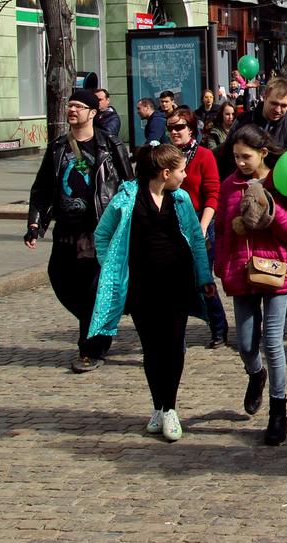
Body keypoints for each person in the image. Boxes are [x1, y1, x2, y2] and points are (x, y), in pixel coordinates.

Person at [89, 144, 215, 442]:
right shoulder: (127, 198)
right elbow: (102, 235)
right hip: (142, 287)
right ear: (166, 172)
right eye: (182, 171)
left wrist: (204, 276)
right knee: (152, 349)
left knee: (173, 347)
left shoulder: (181, 200)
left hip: (177, 283)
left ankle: (170, 408)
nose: (185, 176)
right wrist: (112, 266)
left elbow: (196, 239)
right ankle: (157, 406)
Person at [212, 125, 287, 445]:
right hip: (240, 272)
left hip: (275, 272)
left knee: (272, 343)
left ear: (263, 153)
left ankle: (278, 412)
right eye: (236, 156)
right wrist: (222, 266)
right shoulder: (229, 186)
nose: (240, 162)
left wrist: (271, 209)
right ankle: (256, 375)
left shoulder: (284, 182)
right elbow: (223, 230)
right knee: (247, 345)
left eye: (246, 157)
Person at [26, 89, 133, 372]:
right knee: (60, 279)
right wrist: (34, 222)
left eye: (78, 106)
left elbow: (128, 185)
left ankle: (90, 347)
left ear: (93, 113)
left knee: (91, 290)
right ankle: (100, 320)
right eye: (70, 105)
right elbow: (41, 187)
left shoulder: (110, 145)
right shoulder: (59, 147)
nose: (72, 110)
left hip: (97, 230)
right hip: (66, 229)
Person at [166, 108, 227, 348]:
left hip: (200, 220)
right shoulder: (165, 155)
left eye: (179, 127)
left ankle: (218, 326)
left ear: (191, 128)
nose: (174, 132)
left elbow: (213, 194)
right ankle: (174, 331)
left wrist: (202, 228)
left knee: (201, 278)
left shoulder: (203, 156)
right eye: (170, 127)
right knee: (174, 280)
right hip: (171, 221)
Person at [217, 77, 287, 178]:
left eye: (283, 105)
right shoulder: (243, 121)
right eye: (274, 103)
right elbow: (227, 155)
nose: (278, 110)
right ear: (265, 96)